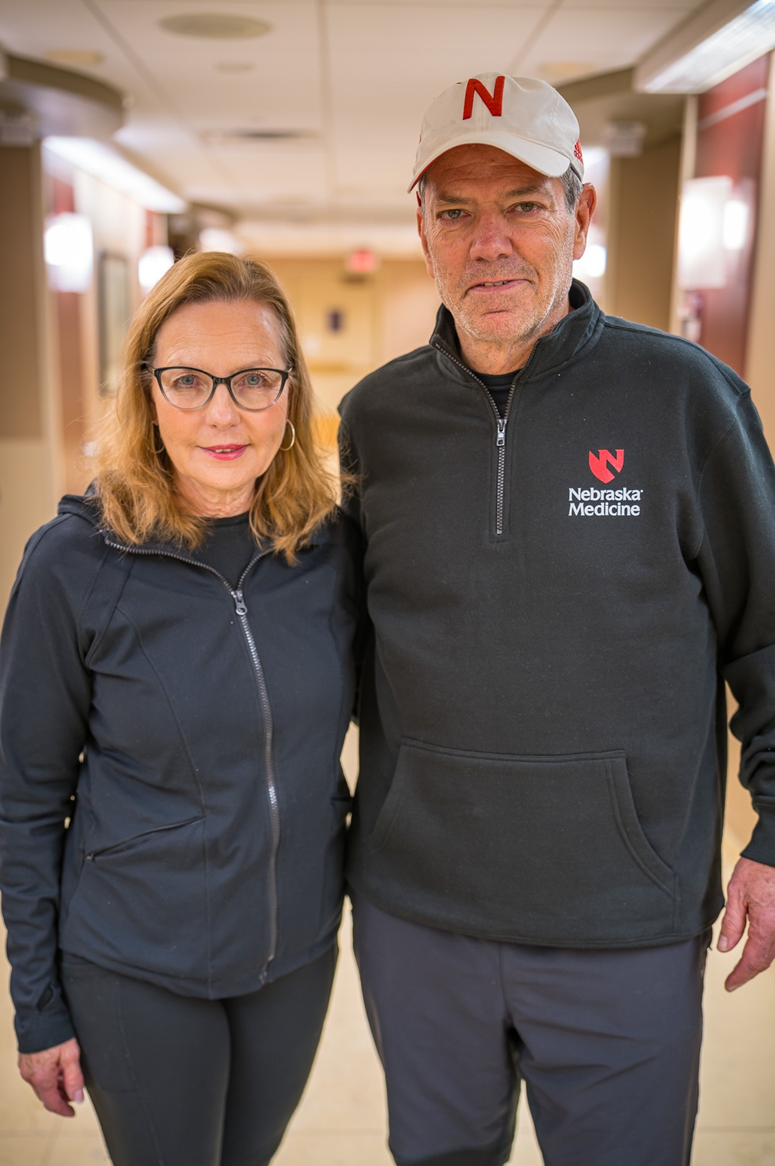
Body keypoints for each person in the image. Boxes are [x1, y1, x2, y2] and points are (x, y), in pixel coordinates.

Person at [339, 73, 775, 1166]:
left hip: (623, 918)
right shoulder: (372, 421)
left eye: (524, 203)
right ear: (423, 233)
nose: (490, 242)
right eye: (455, 211)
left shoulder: (686, 398)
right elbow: (323, 643)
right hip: (416, 915)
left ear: (579, 216)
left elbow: (766, 632)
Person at [0, 251, 359, 1166]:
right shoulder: (74, 566)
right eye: (188, 380)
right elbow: (26, 797)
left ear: (290, 394)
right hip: (136, 961)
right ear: (147, 393)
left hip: (295, 953)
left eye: (252, 379)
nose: (222, 412)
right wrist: (36, 1004)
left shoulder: (328, 550)